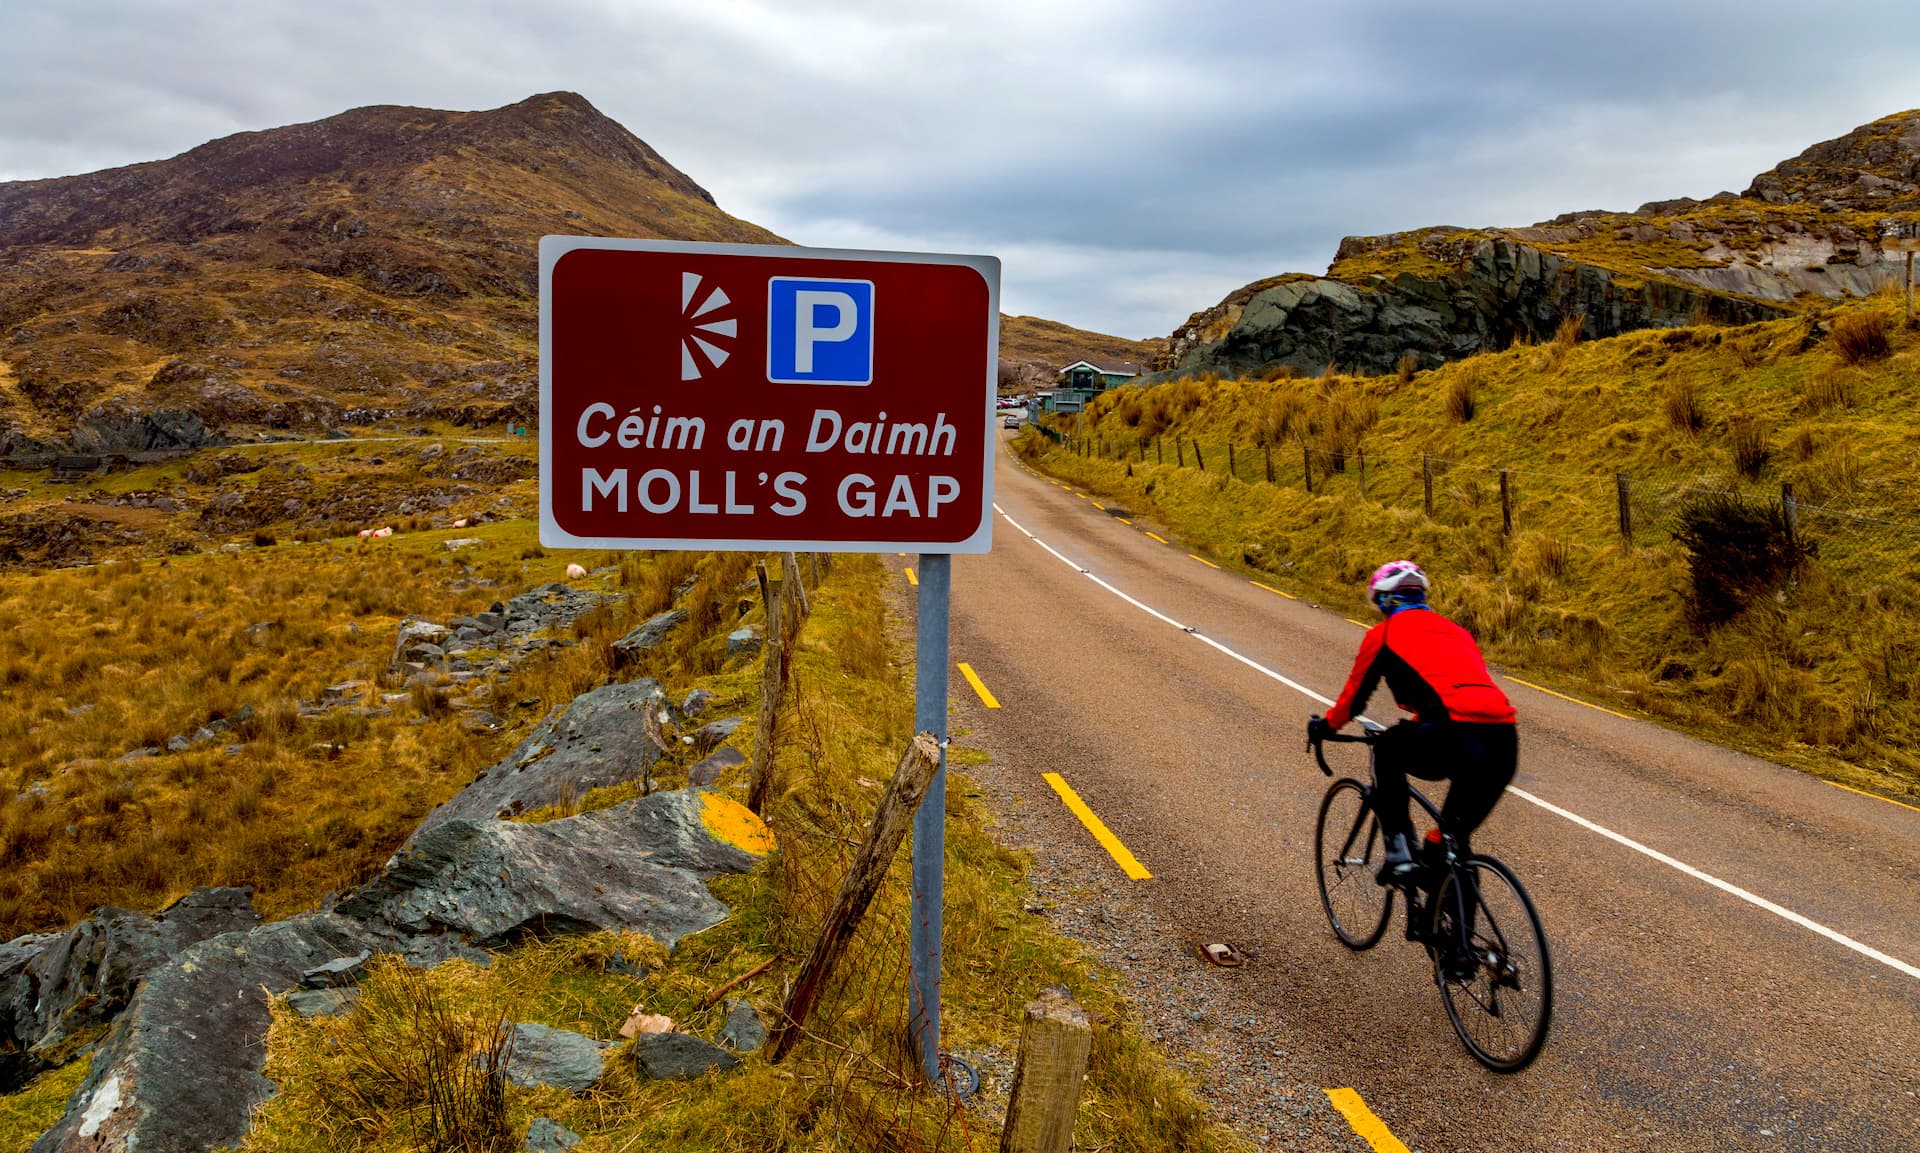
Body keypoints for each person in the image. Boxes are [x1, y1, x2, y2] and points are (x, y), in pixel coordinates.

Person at [1307, 560, 1517, 883]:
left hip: (1453, 736)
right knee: (1451, 839)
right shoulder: (1458, 633)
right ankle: (1452, 925)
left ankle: (1399, 853)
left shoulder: (1385, 634)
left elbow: (1354, 699)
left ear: (1385, 600)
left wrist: (1325, 727)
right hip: (1503, 741)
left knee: (1387, 748)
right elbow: (1454, 690)